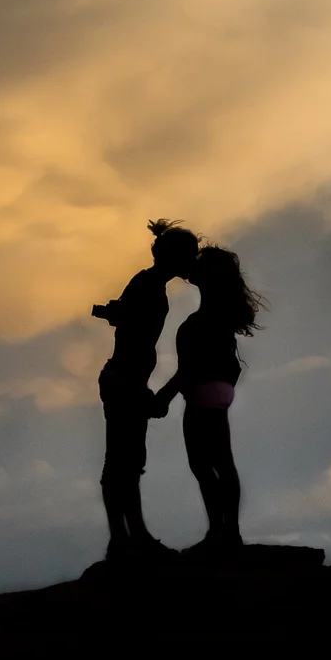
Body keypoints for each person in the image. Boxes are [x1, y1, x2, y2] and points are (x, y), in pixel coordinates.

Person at [93, 221, 199, 559]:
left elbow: (126, 323)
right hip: (125, 380)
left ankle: (130, 536)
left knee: (128, 460)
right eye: (189, 256)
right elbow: (132, 331)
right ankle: (124, 538)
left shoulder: (149, 283)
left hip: (127, 379)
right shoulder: (147, 285)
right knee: (123, 462)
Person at [154, 244, 264, 555]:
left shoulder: (205, 319)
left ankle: (222, 532)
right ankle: (228, 532)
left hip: (203, 391)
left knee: (204, 464)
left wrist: (165, 395)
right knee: (220, 462)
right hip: (219, 391)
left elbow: (190, 367)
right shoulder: (218, 315)